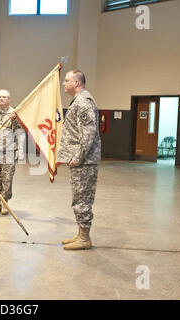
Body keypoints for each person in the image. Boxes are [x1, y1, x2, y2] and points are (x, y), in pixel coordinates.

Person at [57, 70, 101, 251]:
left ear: (76, 83)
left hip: (84, 161)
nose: (63, 83)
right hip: (80, 161)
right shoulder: (79, 101)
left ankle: (84, 238)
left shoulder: (83, 103)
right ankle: (81, 233)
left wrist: (78, 157)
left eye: (66, 80)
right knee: (79, 197)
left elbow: (88, 135)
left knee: (82, 199)